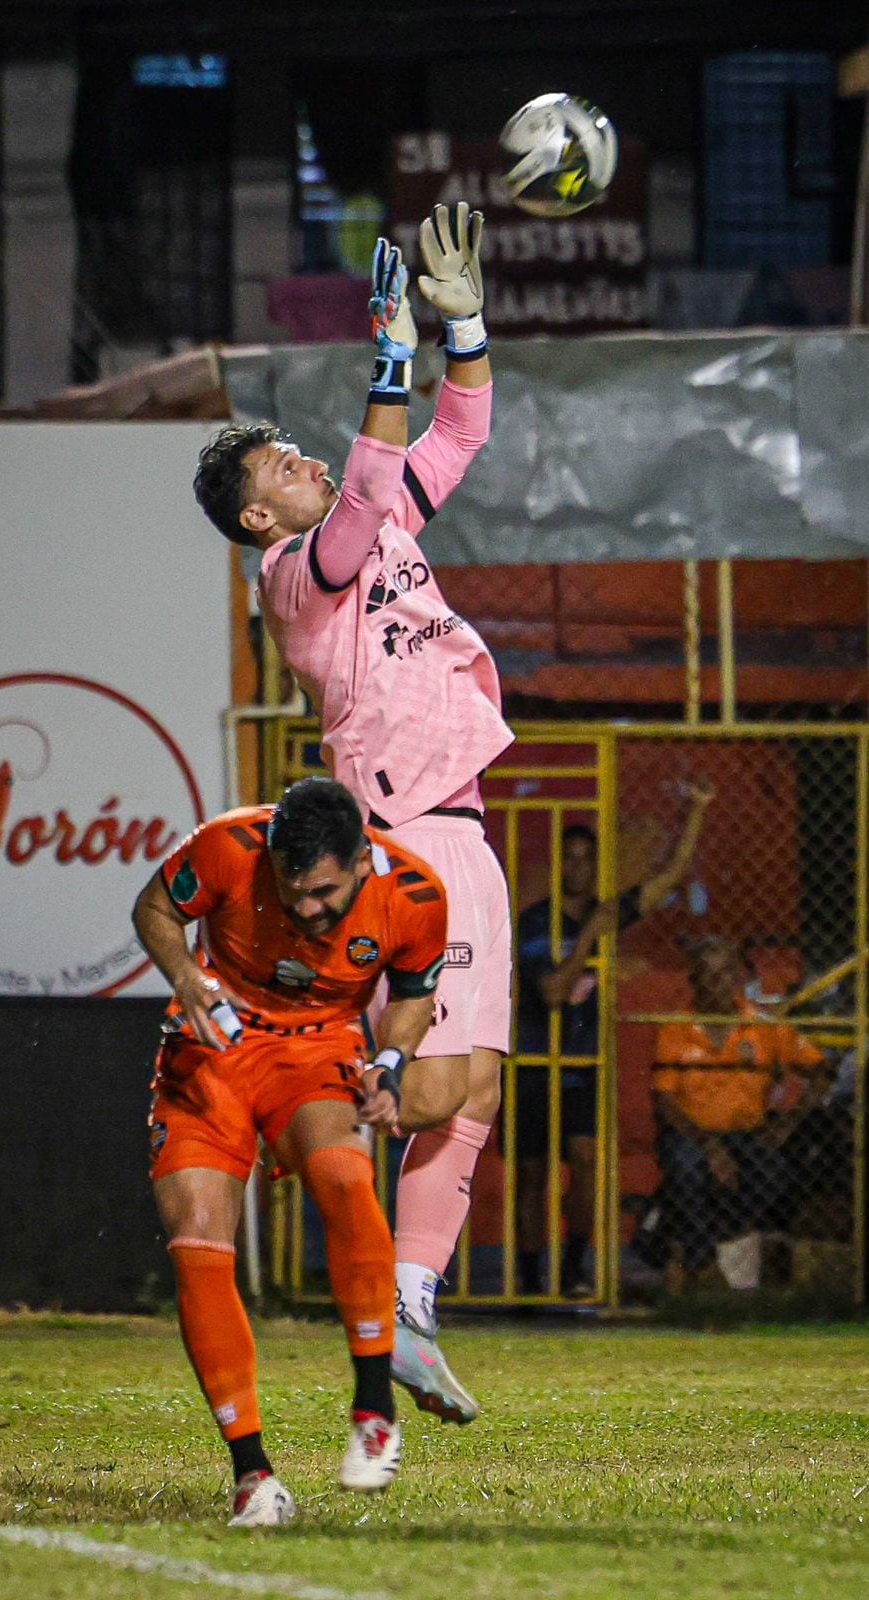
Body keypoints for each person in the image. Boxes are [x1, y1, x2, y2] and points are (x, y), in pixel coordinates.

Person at [192, 204, 512, 1424]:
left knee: (475, 1088)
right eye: (280, 469)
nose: (303, 465)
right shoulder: (295, 574)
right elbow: (374, 471)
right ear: (259, 520)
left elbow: (459, 429)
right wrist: (387, 350)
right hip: (410, 832)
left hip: (458, 823)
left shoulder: (377, 539)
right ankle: (338, 1125)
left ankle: (412, 1306)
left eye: (292, 455)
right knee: (437, 1092)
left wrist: (460, 321)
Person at [132, 776, 452, 1527]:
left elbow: (411, 992)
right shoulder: (227, 848)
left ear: (363, 861)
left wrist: (393, 1065)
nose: (308, 908)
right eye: (293, 889)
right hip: (214, 1042)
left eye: (326, 893)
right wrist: (188, 977)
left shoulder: (416, 896)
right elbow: (155, 906)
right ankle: (253, 1476)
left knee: (344, 1175)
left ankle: (374, 1410)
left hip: (317, 1049)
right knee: (197, 1241)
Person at [512, 780, 715, 1295]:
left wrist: (695, 812)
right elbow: (555, 992)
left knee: (584, 1163)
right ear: (561, 865)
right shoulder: (537, 922)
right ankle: (530, 1280)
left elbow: (666, 878)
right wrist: (588, 938)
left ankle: (574, 1267)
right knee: (532, 1175)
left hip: (582, 1065)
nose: (578, 868)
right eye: (571, 859)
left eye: (587, 859)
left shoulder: (607, 912)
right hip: (536, 1063)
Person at [652, 936, 830, 1287]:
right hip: (693, 1134)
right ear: (694, 981)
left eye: (728, 974)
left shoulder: (763, 1025)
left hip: (747, 1133)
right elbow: (665, 1101)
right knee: (686, 1168)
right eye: (710, 975)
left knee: (775, 1174)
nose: (721, 984)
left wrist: (791, 1121)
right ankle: (705, 1264)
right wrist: (710, 1146)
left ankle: (708, 1242)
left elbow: (821, 1072)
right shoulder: (675, 1030)